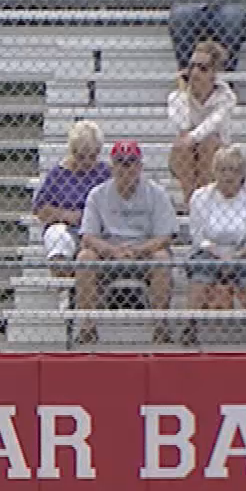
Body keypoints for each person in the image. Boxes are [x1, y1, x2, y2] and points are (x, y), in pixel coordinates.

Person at [74, 140, 179, 344]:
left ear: (140, 165)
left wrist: (139, 250)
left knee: (162, 258)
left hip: (145, 254)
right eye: (120, 162)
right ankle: (87, 326)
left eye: (131, 162)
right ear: (112, 166)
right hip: (108, 254)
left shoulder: (156, 193)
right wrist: (111, 251)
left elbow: (165, 236)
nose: (126, 167)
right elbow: (87, 235)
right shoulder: (98, 194)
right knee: (85, 256)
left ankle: (160, 325)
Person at [185, 146, 246, 331]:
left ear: (243, 173)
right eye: (222, 170)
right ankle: (190, 326)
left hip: (245, 252)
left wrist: (237, 255)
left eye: (234, 170)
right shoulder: (200, 197)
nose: (228, 176)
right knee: (201, 271)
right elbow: (198, 237)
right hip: (209, 252)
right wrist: (217, 254)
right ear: (214, 171)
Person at [34, 119, 112, 275]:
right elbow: (40, 209)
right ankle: (64, 283)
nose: (87, 162)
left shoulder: (105, 173)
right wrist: (65, 215)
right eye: (81, 156)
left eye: (92, 156)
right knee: (57, 235)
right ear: (72, 151)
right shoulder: (58, 174)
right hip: (67, 226)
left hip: (98, 228)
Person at [168, 38, 238, 200]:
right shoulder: (177, 97)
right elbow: (182, 125)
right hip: (186, 153)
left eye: (203, 68)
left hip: (218, 152)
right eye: (192, 66)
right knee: (182, 147)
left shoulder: (227, 97)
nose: (195, 73)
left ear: (214, 73)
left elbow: (211, 126)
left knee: (209, 143)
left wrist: (191, 138)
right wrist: (184, 92)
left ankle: (204, 201)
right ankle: (191, 202)